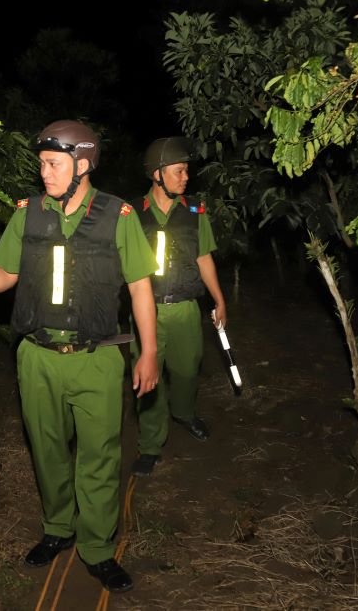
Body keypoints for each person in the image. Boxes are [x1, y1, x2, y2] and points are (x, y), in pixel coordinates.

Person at [0, 120, 159, 593]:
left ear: (83, 164)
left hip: (97, 358)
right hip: (36, 356)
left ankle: (96, 547)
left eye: (53, 164)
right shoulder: (28, 214)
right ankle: (58, 529)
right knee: (48, 451)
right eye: (42, 165)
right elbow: (4, 274)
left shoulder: (119, 215)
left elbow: (140, 287)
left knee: (98, 456)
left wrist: (149, 352)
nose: (44, 174)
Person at [131, 136, 228, 477]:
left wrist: (218, 298)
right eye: (179, 171)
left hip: (186, 308)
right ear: (157, 174)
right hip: (147, 313)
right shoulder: (132, 215)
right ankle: (150, 445)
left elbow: (203, 256)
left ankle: (185, 413)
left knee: (187, 372)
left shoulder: (193, 211)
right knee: (148, 380)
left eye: (187, 171)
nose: (186, 177)